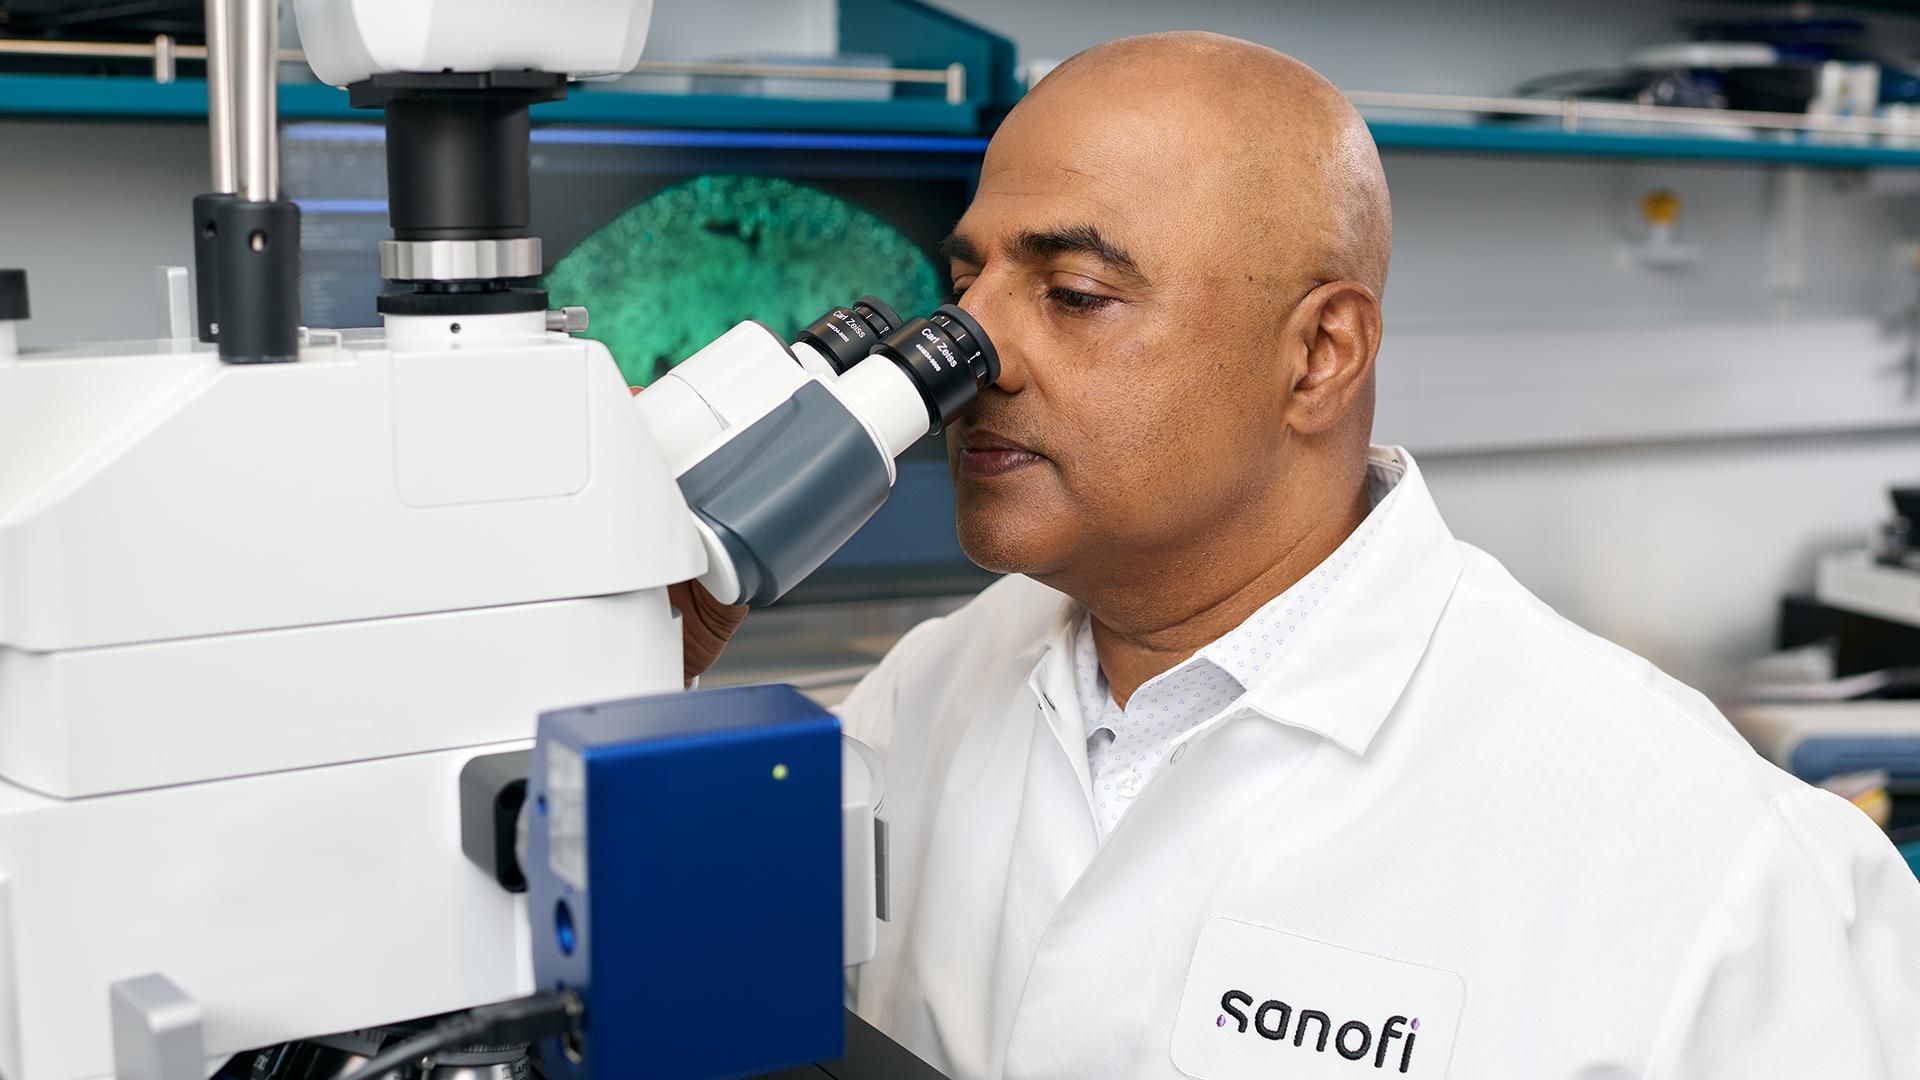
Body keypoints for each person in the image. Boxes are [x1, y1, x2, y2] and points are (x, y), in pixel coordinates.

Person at [678, 31, 1920, 1080]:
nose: (971, 345)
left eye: (1073, 293)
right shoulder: (927, 694)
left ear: (1319, 355)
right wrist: (633, 647)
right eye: (971, 278)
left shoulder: (1716, 868)